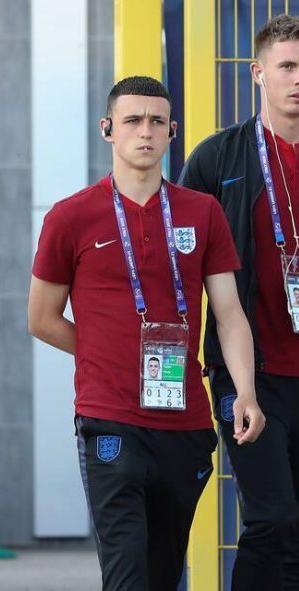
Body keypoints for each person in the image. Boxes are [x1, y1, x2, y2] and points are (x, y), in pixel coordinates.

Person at [28, 76, 266, 591]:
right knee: (127, 573)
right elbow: (41, 318)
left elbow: (228, 313)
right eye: (132, 120)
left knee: (162, 573)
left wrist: (245, 391)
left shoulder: (202, 212)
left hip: (184, 423)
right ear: (107, 129)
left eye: (157, 121)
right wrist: (105, 358)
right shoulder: (70, 216)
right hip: (109, 418)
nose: (145, 131)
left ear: (172, 132)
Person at [179, 15, 299, 590]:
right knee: (272, 519)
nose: (297, 80)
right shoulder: (218, 159)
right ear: (258, 74)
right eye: (287, 67)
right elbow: (179, 272)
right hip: (250, 374)